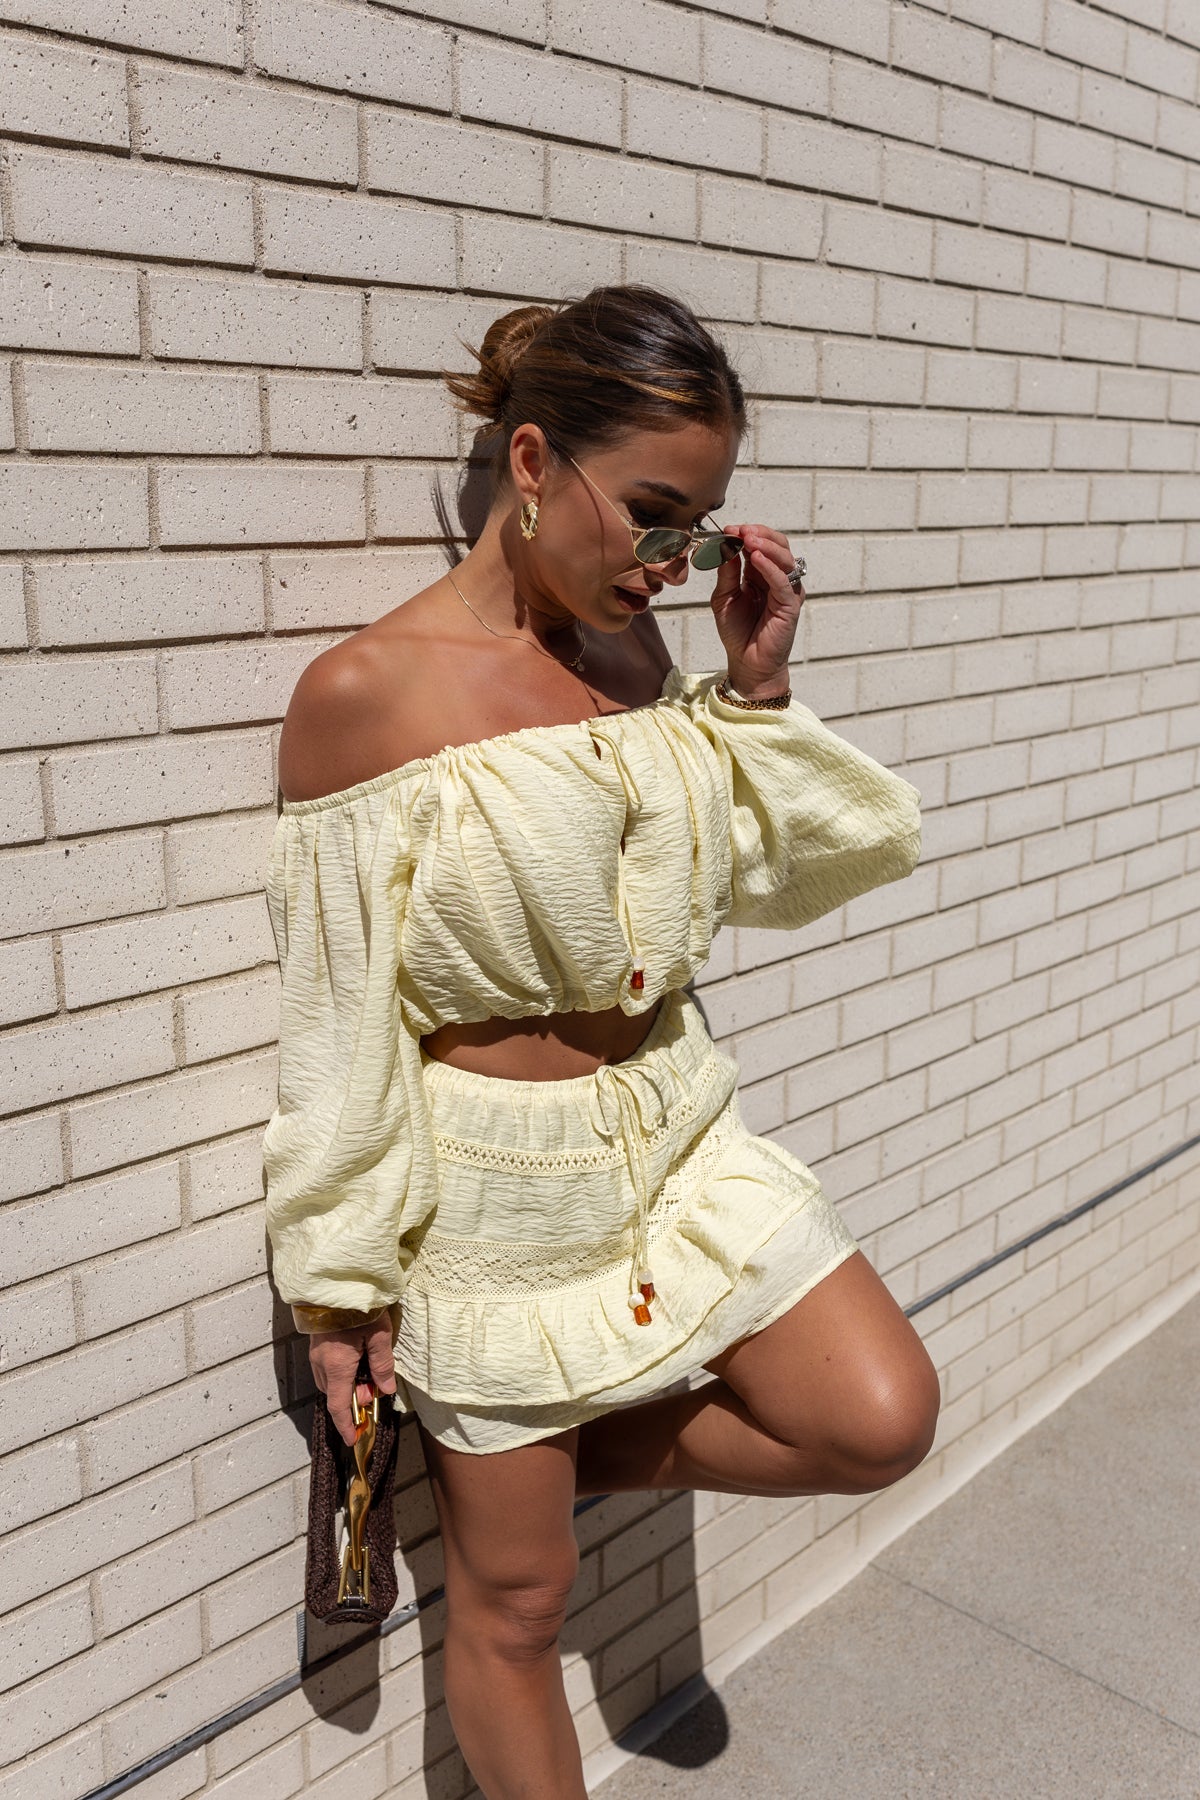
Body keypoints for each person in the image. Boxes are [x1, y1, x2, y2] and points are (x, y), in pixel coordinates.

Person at [263, 283, 941, 1797]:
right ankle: (512, 1471)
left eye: (699, 527)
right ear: (527, 465)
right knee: (516, 1605)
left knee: (879, 1414)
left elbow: (788, 875)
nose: (671, 562)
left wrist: (752, 697)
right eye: (651, 514)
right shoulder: (367, 698)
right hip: (495, 1194)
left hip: (674, 1130)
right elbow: (339, 1027)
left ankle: (563, 1454)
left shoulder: (643, 668)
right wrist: (339, 1287)